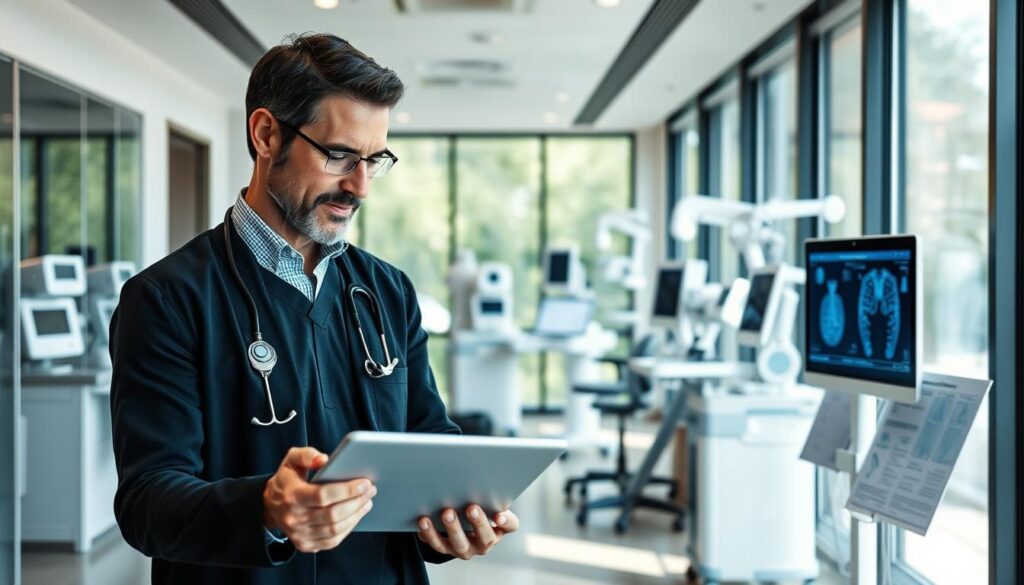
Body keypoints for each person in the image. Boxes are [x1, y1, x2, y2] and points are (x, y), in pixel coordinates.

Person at [110, 33, 519, 584]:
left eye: (374, 161)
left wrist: (456, 524)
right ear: (265, 134)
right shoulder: (165, 300)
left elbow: (429, 442)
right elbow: (147, 500)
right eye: (339, 156)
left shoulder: (388, 293)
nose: (360, 187)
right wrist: (266, 509)